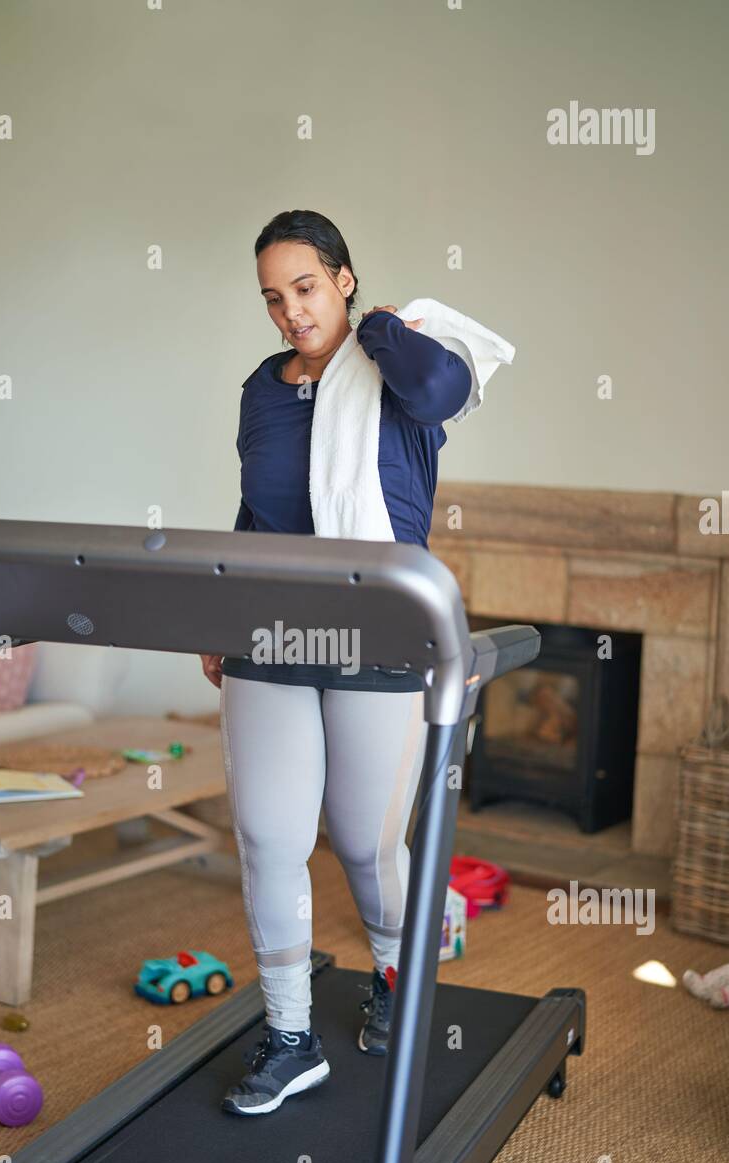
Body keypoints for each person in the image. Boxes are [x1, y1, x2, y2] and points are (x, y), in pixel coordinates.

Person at [200, 209, 472, 1116]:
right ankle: (289, 1036)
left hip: (378, 635)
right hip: (268, 638)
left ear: (343, 280)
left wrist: (384, 329)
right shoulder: (260, 390)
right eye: (273, 297)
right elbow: (255, 516)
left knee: (362, 840)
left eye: (306, 288)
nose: (289, 312)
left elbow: (442, 391)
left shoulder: (396, 368)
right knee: (272, 838)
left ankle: (397, 980)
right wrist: (221, 613)